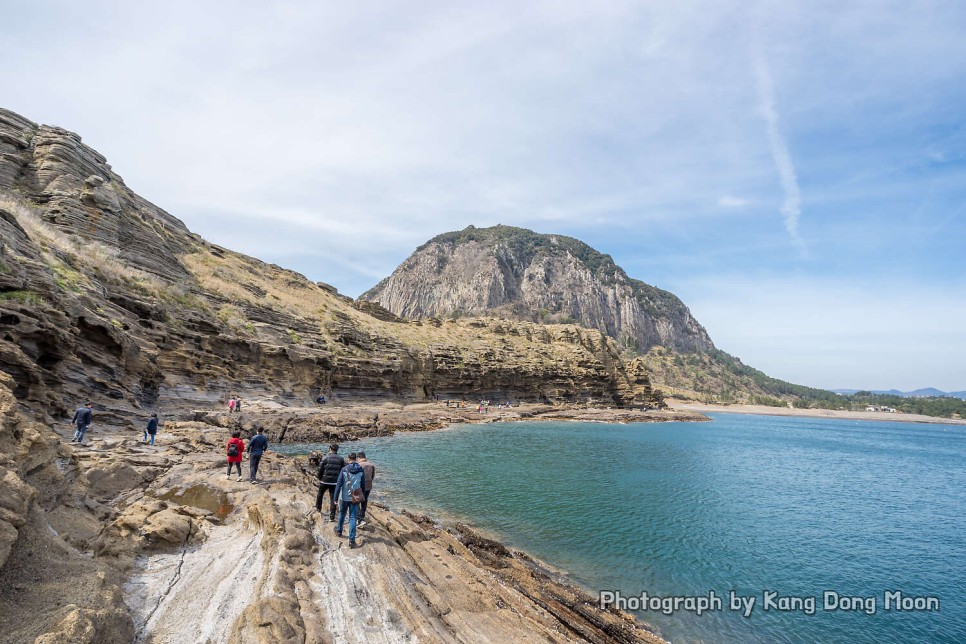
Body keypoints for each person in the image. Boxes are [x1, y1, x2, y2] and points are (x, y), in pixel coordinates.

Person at [333, 453, 366, 548]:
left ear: (348, 459)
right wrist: (362, 497)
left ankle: (339, 531)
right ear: (355, 459)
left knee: (342, 514)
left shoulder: (344, 469)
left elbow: (339, 484)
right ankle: (352, 540)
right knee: (353, 518)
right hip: (355, 498)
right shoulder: (360, 469)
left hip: (344, 498)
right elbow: (363, 485)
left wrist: (335, 498)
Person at [315, 444, 345, 521]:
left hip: (324, 481)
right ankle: (332, 515)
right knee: (333, 498)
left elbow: (320, 469)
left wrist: (320, 478)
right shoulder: (341, 459)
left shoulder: (325, 458)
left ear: (330, 449)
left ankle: (318, 508)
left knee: (320, 494)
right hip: (335, 482)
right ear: (337, 450)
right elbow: (343, 471)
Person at [356, 451, 376, 528]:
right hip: (368, 486)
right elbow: (372, 476)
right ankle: (362, 515)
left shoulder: (358, 465)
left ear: (358, 458)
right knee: (365, 501)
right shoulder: (371, 465)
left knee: (356, 501)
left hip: (360, 486)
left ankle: (360, 519)